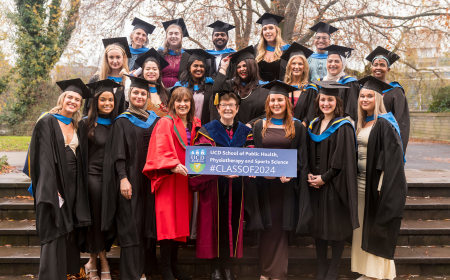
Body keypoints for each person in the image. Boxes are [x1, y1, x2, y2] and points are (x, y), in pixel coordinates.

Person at [244, 80, 311, 280]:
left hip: (285, 187)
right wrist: (254, 169)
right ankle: (265, 272)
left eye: (280, 100)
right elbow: (255, 153)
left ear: (287, 102)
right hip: (264, 186)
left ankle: (278, 273)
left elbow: (302, 156)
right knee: (266, 227)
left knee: (280, 230)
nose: (276, 104)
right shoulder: (259, 126)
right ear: (268, 103)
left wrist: (292, 173)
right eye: (272, 100)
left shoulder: (298, 126)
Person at [26, 78, 92, 279]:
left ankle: (65, 272)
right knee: (54, 224)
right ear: (62, 99)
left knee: (69, 225)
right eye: (70, 97)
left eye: (77, 99)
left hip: (74, 184)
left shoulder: (77, 125)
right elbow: (43, 158)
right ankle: (50, 275)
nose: (73, 101)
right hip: (53, 183)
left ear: (81, 104)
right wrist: (50, 187)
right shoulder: (47, 121)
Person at [101, 75, 160, 280]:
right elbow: (118, 154)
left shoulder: (155, 120)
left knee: (146, 226)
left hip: (150, 182)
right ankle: (131, 275)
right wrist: (123, 178)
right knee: (131, 225)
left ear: (147, 97)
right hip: (131, 180)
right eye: (135, 92)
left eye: (143, 93)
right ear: (129, 95)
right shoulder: (122, 121)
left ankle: (142, 271)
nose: (139, 95)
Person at [190, 90, 252, 280]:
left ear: (237, 108)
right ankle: (215, 268)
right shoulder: (206, 131)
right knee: (212, 228)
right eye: (223, 105)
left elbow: (252, 158)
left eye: (231, 105)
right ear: (217, 108)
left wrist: (243, 171)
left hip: (236, 188)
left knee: (232, 226)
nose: (227, 108)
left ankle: (228, 267)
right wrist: (220, 171)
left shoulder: (245, 132)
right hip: (213, 188)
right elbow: (197, 164)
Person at [351, 76, 407, 280]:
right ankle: (367, 271)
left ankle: (377, 274)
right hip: (360, 184)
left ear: (377, 99)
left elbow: (392, 158)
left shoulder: (385, 123)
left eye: (369, 96)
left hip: (376, 185)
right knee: (362, 229)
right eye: (361, 96)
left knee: (375, 226)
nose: (364, 99)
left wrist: (382, 185)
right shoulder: (363, 122)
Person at [143, 87, 201, 280]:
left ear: (191, 104)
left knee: (180, 223)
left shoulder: (195, 124)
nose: (183, 104)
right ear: (172, 104)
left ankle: (174, 265)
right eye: (178, 101)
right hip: (169, 179)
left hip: (185, 180)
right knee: (168, 222)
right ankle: (166, 268)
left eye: (186, 101)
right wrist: (171, 167)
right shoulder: (165, 123)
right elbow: (158, 149)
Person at [306, 80, 359, 280]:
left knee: (336, 229)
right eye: (322, 99)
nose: (325, 103)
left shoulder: (344, 125)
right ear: (318, 101)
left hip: (334, 185)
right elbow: (309, 152)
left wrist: (324, 178)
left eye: (330, 99)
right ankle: (321, 269)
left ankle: (333, 269)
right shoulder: (315, 124)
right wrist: (310, 175)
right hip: (315, 184)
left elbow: (342, 160)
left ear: (337, 102)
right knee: (319, 229)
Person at [81, 79, 120, 280]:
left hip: (112, 180)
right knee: (96, 221)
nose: (107, 103)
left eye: (110, 100)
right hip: (93, 179)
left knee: (107, 221)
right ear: (95, 102)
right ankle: (101, 263)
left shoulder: (119, 123)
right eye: (102, 99)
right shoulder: (85, 124)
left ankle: (91, 261)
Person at [210, 46, 269, 124]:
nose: (242, 69)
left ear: (253, 66)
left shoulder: (264, 88)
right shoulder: (231, 85)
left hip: (255, 132)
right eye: (238, 67)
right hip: (233, 132)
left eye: (245, 66)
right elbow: (216, 90)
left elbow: (268, 113)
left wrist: (251, 124)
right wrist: (223, 67)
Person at [366, 46, 410, 150]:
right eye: (375, 64)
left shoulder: (396, 91)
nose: (378, 67)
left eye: (382, 65)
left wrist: (398, 150)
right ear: (371, 68)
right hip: (366, 140)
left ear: (388, 69)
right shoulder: (365, 91)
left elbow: (402, 123)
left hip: (387, 142)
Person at [84, 37, 131, 116]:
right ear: (106, 58)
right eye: (111, 57)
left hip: (119, 125)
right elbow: (87, 106)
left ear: (124, 58)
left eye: (118, 57)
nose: (115, 61)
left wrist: (127, 79)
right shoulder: (97, 79)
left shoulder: (127, 81)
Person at [317, 45, 360, 124]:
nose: (332, 64)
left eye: (337, 61)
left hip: (341, 127)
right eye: (330, 61)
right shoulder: (320, 82)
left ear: (343, 63)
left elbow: (351, 112)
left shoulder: (350, 83)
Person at [172, 49, 215, 125]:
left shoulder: (209, 86)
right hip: (184, 127)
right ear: (189, 68)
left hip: (204, 128)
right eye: (195, 66)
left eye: (201, 66)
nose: (199, 69)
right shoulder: (180, 87)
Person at [281, 42, 318, 126]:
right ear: (289, 66)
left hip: (302, 131)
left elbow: (311, 114)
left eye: (300, 64)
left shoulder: (310, 89)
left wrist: (300, 127)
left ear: (304, 67)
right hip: (281, 129)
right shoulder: (282, 87)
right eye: (293, 63)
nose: (296, 67)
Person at [135, 48, 171, 117]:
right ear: (143, 72)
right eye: (147, 69)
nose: (151, 71)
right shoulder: (137, 93)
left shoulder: (166, 93)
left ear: (159, 72)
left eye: (154, 69)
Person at [255, 13, 290, 82]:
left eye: (271, 28)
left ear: (276, 31)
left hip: (280, 90)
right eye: (264, 29)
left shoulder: (287, 50)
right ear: (262, 33)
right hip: (259, 91)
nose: (268, 31)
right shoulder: (256, 50)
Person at [159, 18, 190, 88]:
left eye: (176, 34)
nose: (173, 36)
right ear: (166, 36)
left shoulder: (187, 55)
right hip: (161, 90)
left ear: (181, 36)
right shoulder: (160, 53)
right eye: (170, 34)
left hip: (179, 91)